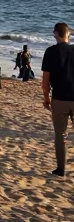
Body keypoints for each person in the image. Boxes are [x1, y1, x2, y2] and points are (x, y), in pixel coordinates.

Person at [41, 22, 74, 177]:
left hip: (60, 98)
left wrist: (46, 97)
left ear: (56, 34)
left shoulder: (50, 52)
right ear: (68, 34)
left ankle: (61, 169)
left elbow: (46, 79)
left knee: (60, 134)